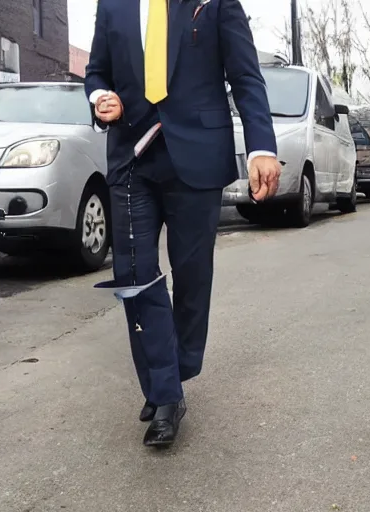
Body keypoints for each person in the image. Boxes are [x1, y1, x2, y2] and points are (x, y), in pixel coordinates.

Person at [85, 0, 281, 448]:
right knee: (133, 275)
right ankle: (166, 392)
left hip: (197, 154)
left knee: (192, 276)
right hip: (131, 159)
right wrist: (99, 98)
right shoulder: (112, 6)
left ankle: (173, 368)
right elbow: (96, 71)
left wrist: (261, 148)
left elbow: (246, 75)